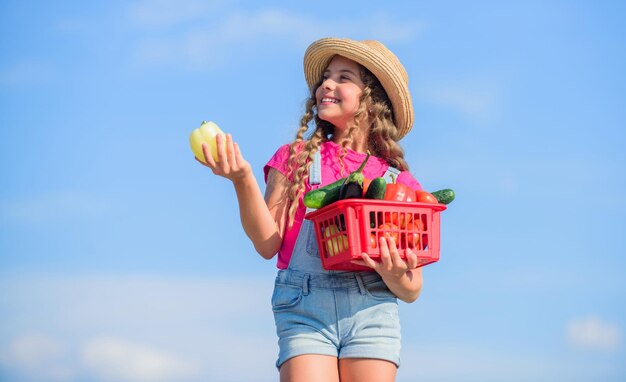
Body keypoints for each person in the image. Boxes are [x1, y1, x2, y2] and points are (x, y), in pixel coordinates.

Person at [197, 37, 424, 382]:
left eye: (344, 77)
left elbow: (412, 288)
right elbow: (267, 244)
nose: (327, 84)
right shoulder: (296, 159)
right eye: (326, 77)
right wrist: (242, 179)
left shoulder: (399, 183)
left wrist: (396, 276)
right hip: (305, 308)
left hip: (373, 310)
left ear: (372, 99)